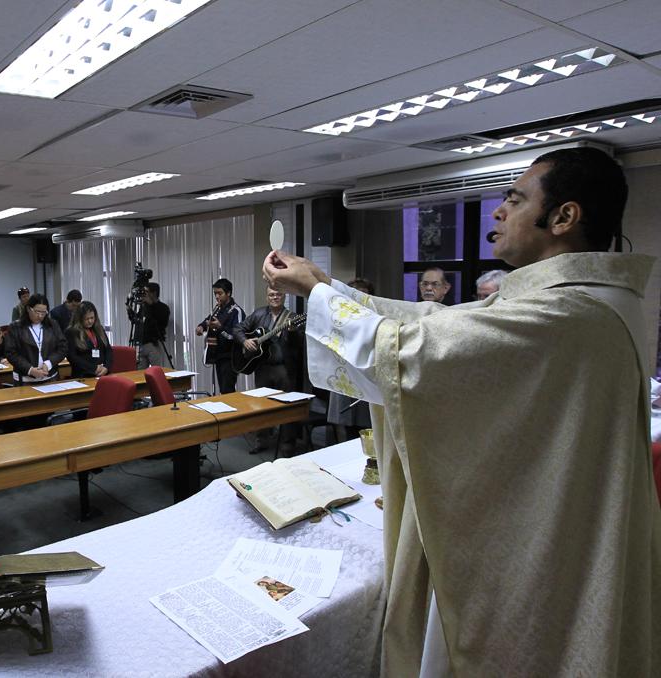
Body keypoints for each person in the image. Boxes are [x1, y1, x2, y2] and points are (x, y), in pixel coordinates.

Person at [262, 147, 660, 676]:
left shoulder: (571, 309)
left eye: (515, 199)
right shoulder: (592, 298)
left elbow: (413, 351)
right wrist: (326, 287)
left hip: (541, 541)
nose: (499, 210)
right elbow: (437, 322)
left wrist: (314, 292)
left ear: (564, 216)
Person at [232, 287, 302, 454]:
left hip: (284, 369)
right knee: (261, 405)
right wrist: (245, 341)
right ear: (267, 297)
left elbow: (299, 345)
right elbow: (237, 329)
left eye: (278, 294)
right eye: (271, 294)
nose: (275, 297)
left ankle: (287, 444)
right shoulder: (259, 314)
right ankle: (261, 440)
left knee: (287, 407)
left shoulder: (292, 317)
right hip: (262, 367)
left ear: (284, 296)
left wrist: (292, 332)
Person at [326, 278, 374, 442]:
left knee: (366, 428)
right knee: (343, 427)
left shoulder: (375, 320)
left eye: (363, 295)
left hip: (365, 379)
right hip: (343, 377)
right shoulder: (337, 319)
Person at [195, 278, 244, 394]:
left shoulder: (236, 311)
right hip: (218, 355)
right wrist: (201, 327)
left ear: (228, 293)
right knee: (222, 390)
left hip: (230, 357)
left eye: (220, 293)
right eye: (215, 293)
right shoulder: (218, 308)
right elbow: (208, 320)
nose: (217, 296)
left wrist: (220, 327)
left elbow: (237, 336)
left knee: (227, 390)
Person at [4, 293, 67, 384]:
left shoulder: (52, 325)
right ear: (28, 309)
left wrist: (48, 363)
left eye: (43, 312)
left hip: (50, 377)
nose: (40, 316)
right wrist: (30, 369)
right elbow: (11, 353)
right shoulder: (16, 327)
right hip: (25, 380)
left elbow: (63, 348)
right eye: (37, 312)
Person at [66, 301, 112, 378]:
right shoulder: (71, 332)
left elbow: (108, 349)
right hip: (83, 375)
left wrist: (106, 367)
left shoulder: (99, 329)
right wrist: (94, 368)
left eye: (92, 318)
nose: (90, 321)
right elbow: (72, 357)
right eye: (86, 319)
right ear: (79, 319)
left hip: (102, 373)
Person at [135, 282, 171, 369]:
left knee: (157, 370)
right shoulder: (144, 307)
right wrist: (129, 311)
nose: (144, 294)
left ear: (154, 293)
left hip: (154, 344)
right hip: (141, 344)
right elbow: (137, 322)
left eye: (146, 291)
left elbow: (160, 324)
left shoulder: (163, 308)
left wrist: (151, 305)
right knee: (140, 372)